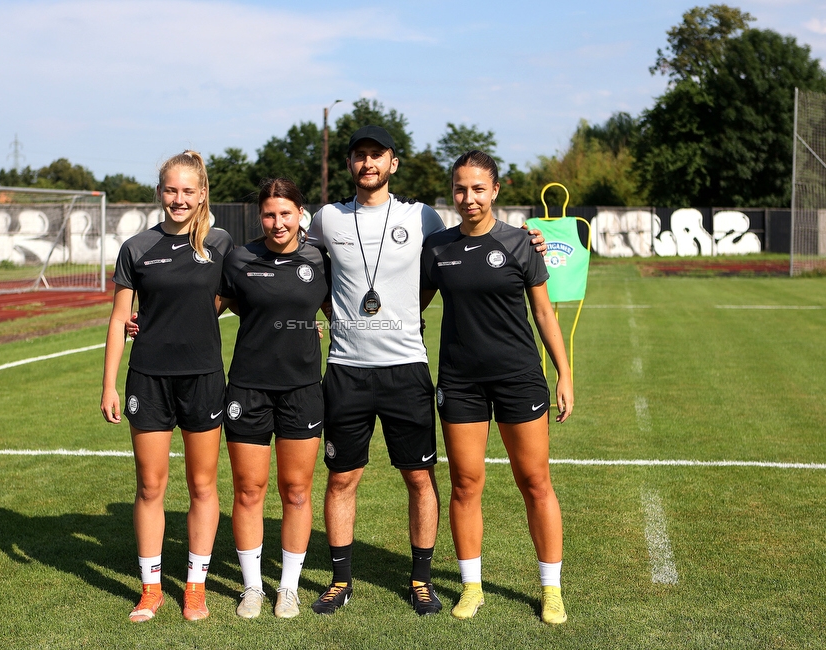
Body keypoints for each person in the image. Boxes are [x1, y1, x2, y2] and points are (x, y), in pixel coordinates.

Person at [305, 126, 547, 617]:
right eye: (359, 156)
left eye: (378, 156)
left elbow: (471, 241)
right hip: (346, 368)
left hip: (407, 367)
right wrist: (324, 315)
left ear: (394, 163)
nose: (368, 163)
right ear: (350, 165)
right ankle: (339, 580)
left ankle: (421, 579)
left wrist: (527, 239)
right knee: (341, 479)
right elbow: (295, 259)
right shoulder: (327, 219)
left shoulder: (424, 218)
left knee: (419, 478)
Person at [420, 150, 573, 625]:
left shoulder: (521, 243)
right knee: (466, 484)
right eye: (461, 189)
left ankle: (551, 590)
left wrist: (564, 372)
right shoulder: (438, 248)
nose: (469, 198)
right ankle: (471, 586)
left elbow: (544, 313)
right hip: (461, 383)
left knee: (535, 482)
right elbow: (414, 306)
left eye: (478, 189)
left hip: (518, 377)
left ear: (496, 191)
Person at [100, 150, 233, 623]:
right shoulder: (136, 248)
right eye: (171, 190)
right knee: (150, 486)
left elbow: (240, 295)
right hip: (148, 379)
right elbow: (119, 319)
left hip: (202, 378)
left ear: (202, 195)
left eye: (187, 191)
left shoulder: (219, 244)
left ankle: (194, 587)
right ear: (160, 192)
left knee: (202, 485)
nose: (179, 199)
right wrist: (110, 385)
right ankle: (151, 588)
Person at [219, 178, 330, 619]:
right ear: (259, 216)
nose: (278, 222)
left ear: (300, 214)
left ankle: (288, 588)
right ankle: (251, 588)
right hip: (248, 386)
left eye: (286, 213)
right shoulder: (241, 258)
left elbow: (339, 306)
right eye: (269, 214)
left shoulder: (320, 258)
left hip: (303, 389)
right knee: (249, 490)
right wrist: (148, 323)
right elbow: (207, 305)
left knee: (297, 492)